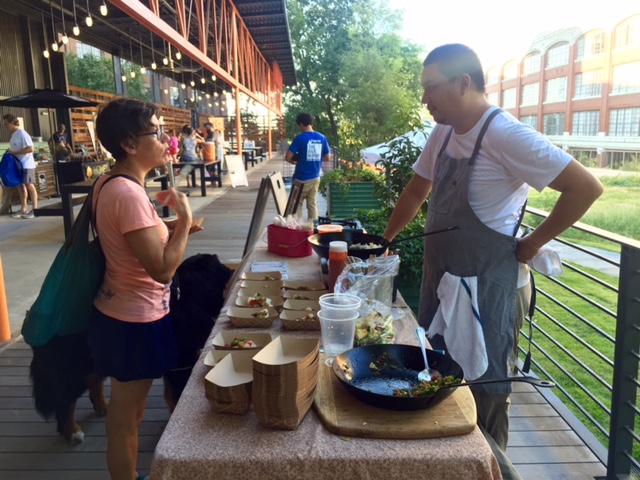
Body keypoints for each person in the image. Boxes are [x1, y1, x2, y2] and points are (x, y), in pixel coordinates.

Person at [381, 44, 603, 468]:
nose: (424, 99)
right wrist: (385, 240)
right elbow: (416, 191)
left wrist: (534, 242)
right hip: (442, 285)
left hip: (491, 293)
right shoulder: (443, 131)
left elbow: (586, 187)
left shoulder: (507, 135)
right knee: (437, 384)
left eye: (431, 88)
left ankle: (490, 473)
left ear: (464, 83)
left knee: (485, 397)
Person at [89, 97, 194, 480]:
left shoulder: (111, 181)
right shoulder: (129, 194)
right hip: (133, 320)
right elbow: (163, 270)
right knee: (127, 418)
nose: (166, 139)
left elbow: (133, 243)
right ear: (129, 144)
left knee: (127, 412)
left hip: (121, 311)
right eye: (157, 131)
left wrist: (170, 232)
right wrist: (183, 222)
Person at [285, 113, 331, 221]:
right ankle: (312, 228)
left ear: (301, 124)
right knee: (312, 204)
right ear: (311, 123)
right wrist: (315, 159)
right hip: (315, 177)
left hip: (301, 178)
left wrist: (294, 161)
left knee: (297, 204)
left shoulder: (300, 138)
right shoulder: (322, 137)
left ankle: (298, 228)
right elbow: (327, 157)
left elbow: (287, 157)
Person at [2, 114, 38, 219]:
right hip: (18, 165)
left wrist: (14, 152)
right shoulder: (13, 135)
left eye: (7, 124)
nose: (5, 126)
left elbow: (31, 149)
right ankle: (23, 208)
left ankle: (35, 209)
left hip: (26, 165)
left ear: (13, 123)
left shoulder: (22, 133)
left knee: (29, 185)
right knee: (20, 186)